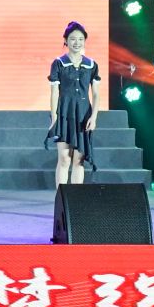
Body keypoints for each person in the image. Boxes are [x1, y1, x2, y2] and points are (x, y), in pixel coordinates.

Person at [45, 21, 100, 186]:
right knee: (64, 158)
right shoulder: (58, 63)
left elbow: (96, 94)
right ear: (66, 40)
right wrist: (54, 117)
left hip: (83, 115)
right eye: (73, 39)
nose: (77, 42)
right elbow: (54, 92)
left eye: (81, 39)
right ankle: (61, 198)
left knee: (78, 159)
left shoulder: (91, 65)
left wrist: (94, 117)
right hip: (64, 113)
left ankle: (76, 199)